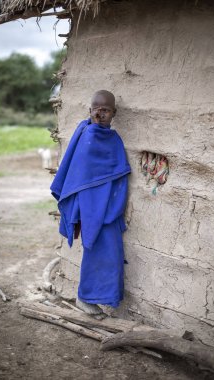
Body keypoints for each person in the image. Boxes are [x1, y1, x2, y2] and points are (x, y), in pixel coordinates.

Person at [50, 90, 131, 315]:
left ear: (114, 113)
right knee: (95, 247)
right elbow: (81, 173)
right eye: (97, 109)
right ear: (90, 111)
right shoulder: (87, 134)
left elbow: (117, 172)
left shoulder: (113, 138)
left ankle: (96, 297)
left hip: (110, 207)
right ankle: (86, 298)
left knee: (111, 253)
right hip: (91, 206)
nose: (101, 114)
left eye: (106, 110)